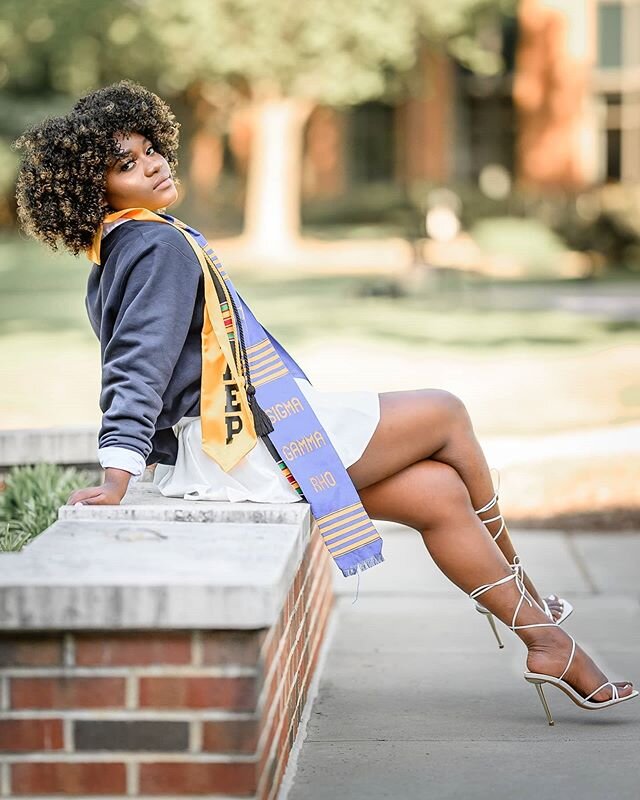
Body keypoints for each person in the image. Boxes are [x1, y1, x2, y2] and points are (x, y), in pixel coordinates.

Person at [14, 80, 636, 724]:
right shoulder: (157, 245)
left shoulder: (127, 245)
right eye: (127, 164)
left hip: (246, 437)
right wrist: (118, 470)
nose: (153, 164)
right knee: (445, 410)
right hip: (245, 445)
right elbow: (135, 362)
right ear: (94, 191)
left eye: (151, 149)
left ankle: (547, 643)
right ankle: (530, 588)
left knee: (437, 493)